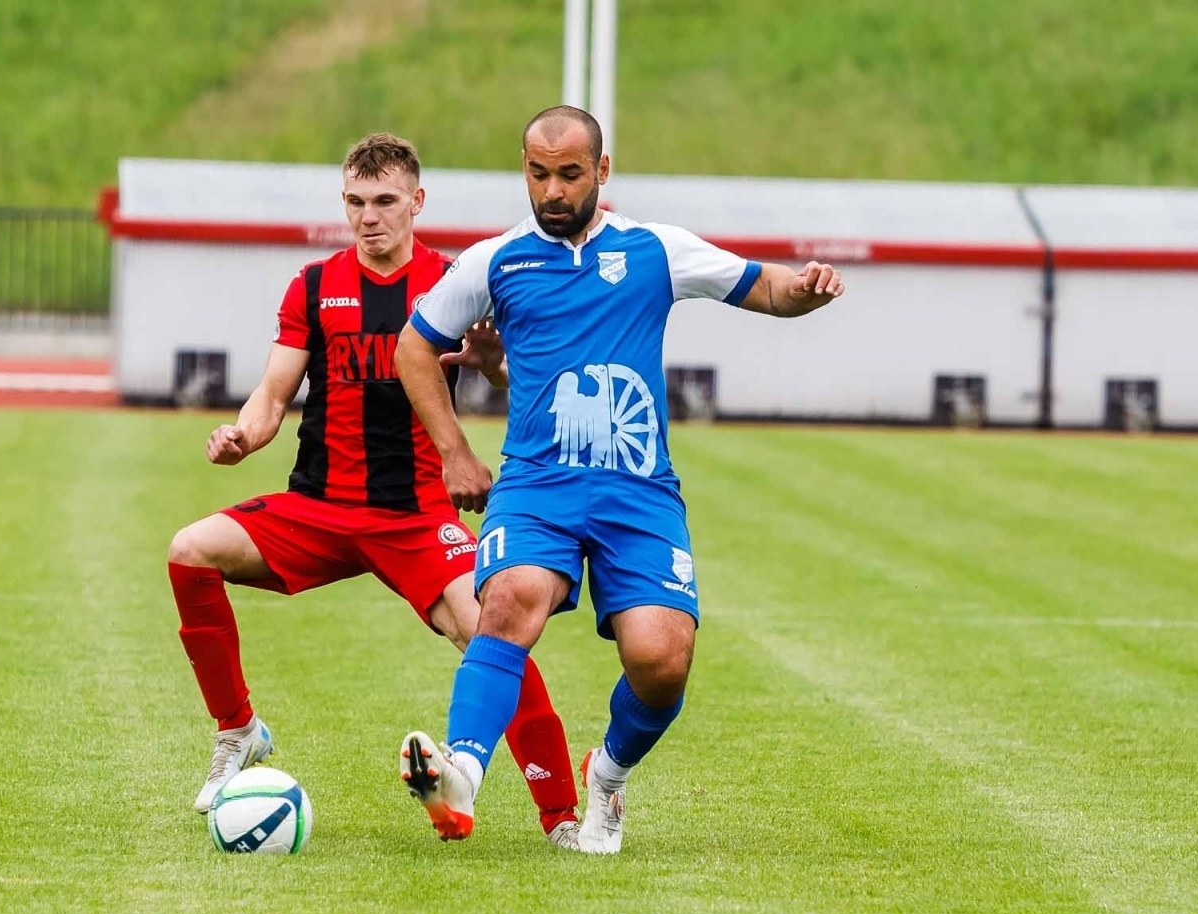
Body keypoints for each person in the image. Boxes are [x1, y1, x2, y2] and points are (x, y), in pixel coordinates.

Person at [393, 106, 846, 853]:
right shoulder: (494, 262)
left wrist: (807, 288)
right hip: (537, 485)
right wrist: (455, 453)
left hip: (638, 492)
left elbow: (766, 288)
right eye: (539, 174)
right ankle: (462, 774)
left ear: (601, 171)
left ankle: (606, 774)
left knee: (661, 659)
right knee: (508, 602)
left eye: (570, 174)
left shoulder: (655, 250)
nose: (553, 191)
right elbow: (415, 347)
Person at [166, 133, 582, 849]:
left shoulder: (454, 281)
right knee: (189, 551)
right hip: (318, 507)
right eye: (356, 202)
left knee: (494, 629)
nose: (369, 216)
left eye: (385, 201)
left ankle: (562, 817)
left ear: (417, 202)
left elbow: (521, 379)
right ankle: (238, 730)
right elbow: (273, 394)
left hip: (416, 517)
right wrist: (242, 436)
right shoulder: (312, 285)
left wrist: (493, 366)